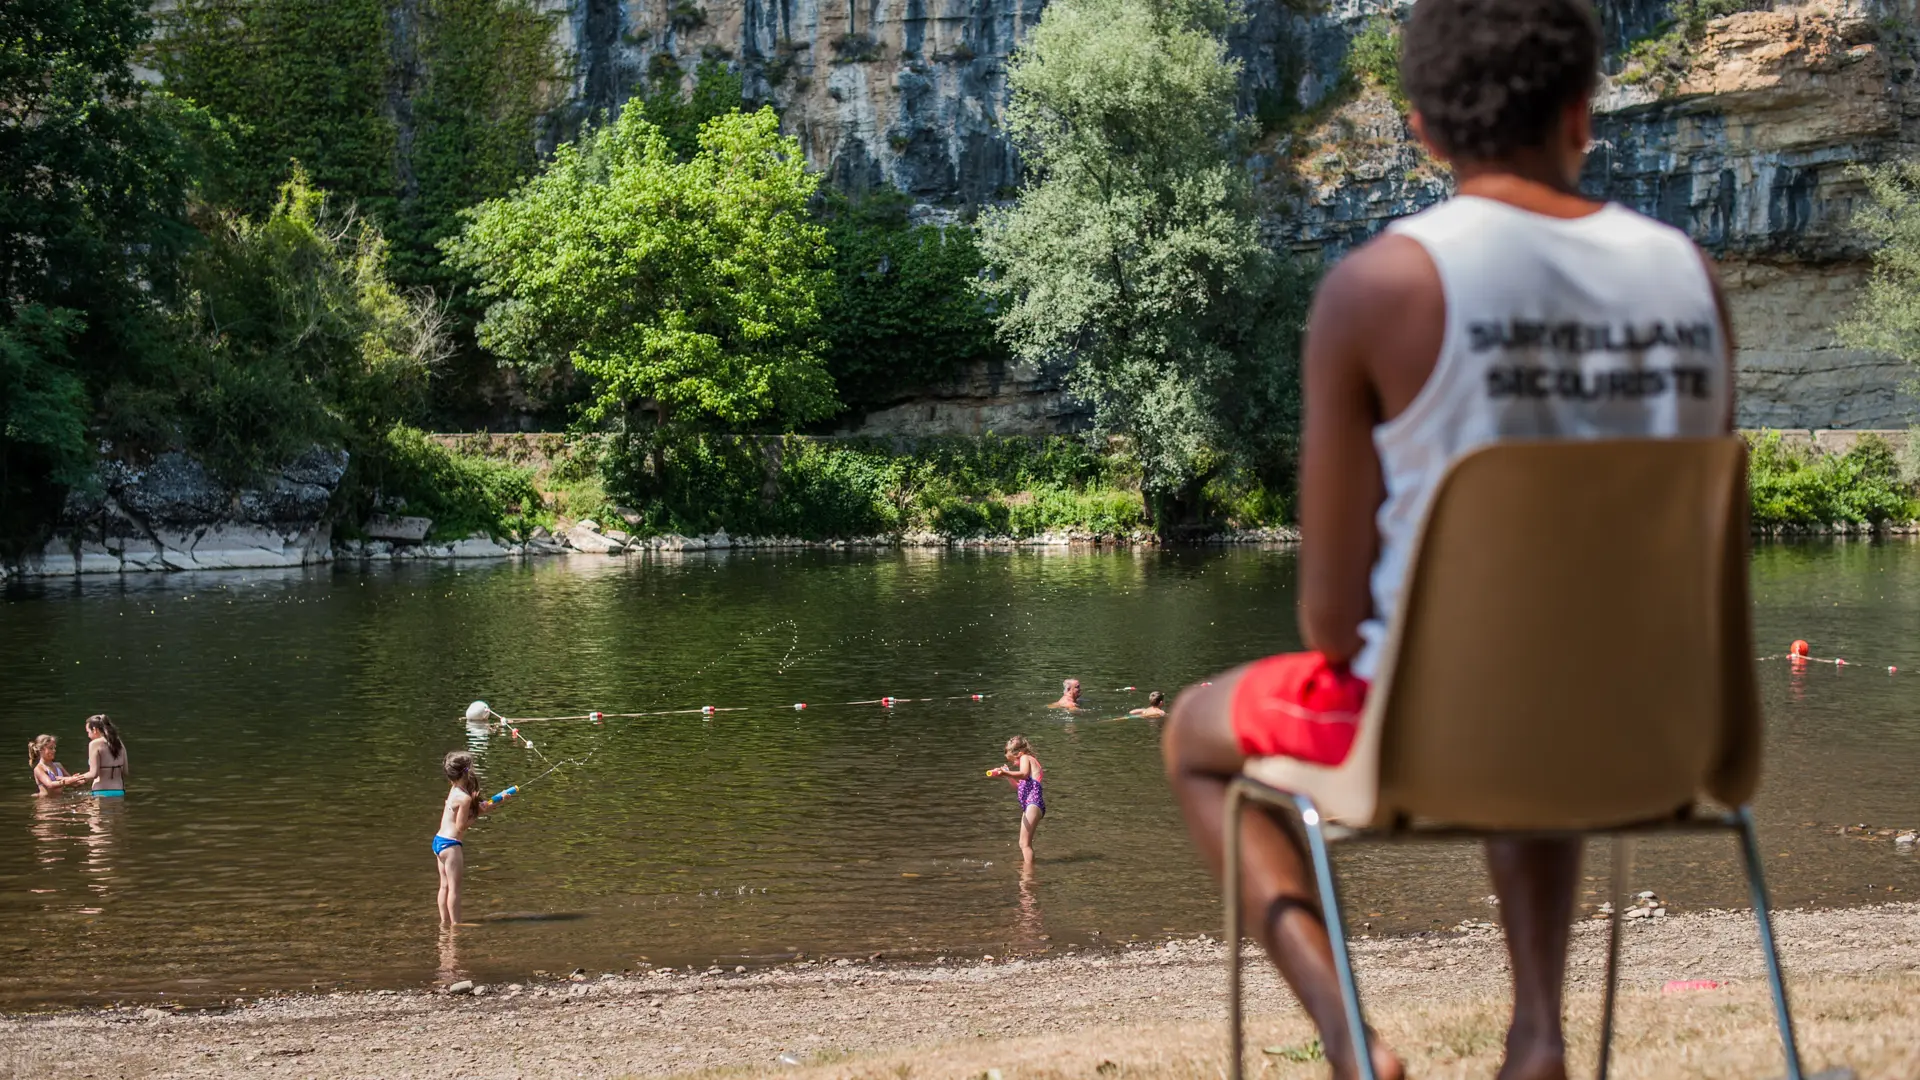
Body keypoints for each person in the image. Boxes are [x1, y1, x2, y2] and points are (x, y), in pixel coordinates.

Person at [1160, 0, 1733, 1076]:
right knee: (1545, 677)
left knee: (1193, 733)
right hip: (1662, 734)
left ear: (1419, 128)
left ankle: (1349, 1043)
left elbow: (1330, 622)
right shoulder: (1689, 279)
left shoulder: (1382, 287)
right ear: (1581, 113)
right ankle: (1538, 1035)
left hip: (1438, 732)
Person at [435, 751, 512, 926]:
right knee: (454, 888)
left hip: (439, 840)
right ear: (466, 772)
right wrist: (478, 813)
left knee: (444, 886)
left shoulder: (455, 789)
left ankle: (444, 923)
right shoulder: (464, 798)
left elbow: (465, 813)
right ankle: (456, 925)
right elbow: (461, 826)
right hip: (451, 845)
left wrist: (495, 802)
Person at [987, 736, 1045, 867]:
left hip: (1033, 802)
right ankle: (1028, 866)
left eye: (1013, 760)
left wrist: (1005, 773)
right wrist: (1006, 775)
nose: (1014, 763)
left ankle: (1028, 874)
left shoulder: (1025, 758)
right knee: (1022, 843)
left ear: (1019, 753)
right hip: (1031, 804)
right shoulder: (1026, 760)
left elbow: (1023, 774)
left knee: (1025, 844)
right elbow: (1018, 786)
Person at [65, 716, 128, 797]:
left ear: (94, 730)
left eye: (88, 732)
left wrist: (73, 779)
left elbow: (93, 773)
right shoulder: (119, 743)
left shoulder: (94, 744)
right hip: (119, 791)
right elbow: (125, 771)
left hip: (101, 791)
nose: (88, 735)